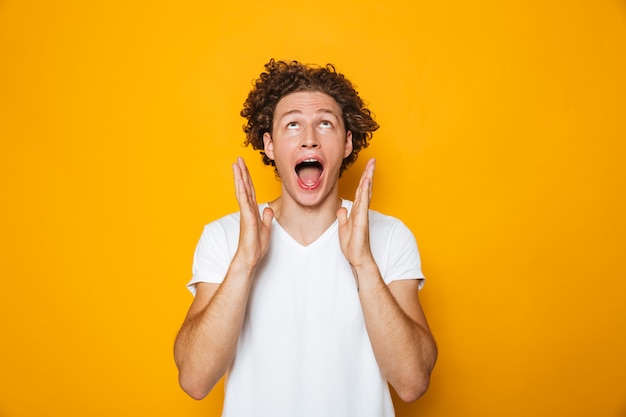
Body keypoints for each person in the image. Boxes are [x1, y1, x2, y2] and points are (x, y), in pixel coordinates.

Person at [174, 59, 437, 417]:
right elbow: (194, 379)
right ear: (269, 145)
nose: (309, 139)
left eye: (325, 124)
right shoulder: (223, 237)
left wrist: (363, 263)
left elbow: (412, 382)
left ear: (347, 143)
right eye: (293, 124)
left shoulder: (389, 236)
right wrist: (245, 262)